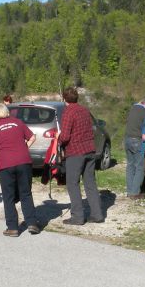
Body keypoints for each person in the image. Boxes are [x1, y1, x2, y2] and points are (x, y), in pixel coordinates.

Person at [0, 103, 41, 237]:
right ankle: (32, 223)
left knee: (8, 196)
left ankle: (12, 227)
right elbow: (33, 137)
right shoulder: (18, 122)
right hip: (24, 161)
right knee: (26, 193)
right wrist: (24, 147)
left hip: (6, 164)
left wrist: (2, 161)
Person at [58, 87, 104, 225]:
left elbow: (65, 137)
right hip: (90, 150)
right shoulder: (84, 110)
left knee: (72, 183)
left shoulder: (68, 112)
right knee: (90, 183)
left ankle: (78, 217)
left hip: (75, 152)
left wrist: (57, 138)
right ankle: (97, 214)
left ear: (64, 99)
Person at [124, 97, 145, 199]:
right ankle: (135, 192)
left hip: (127, 139)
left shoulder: (132, 109)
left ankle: (129, 191)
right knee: (140, 167)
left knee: (130, 165)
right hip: (137, 140)